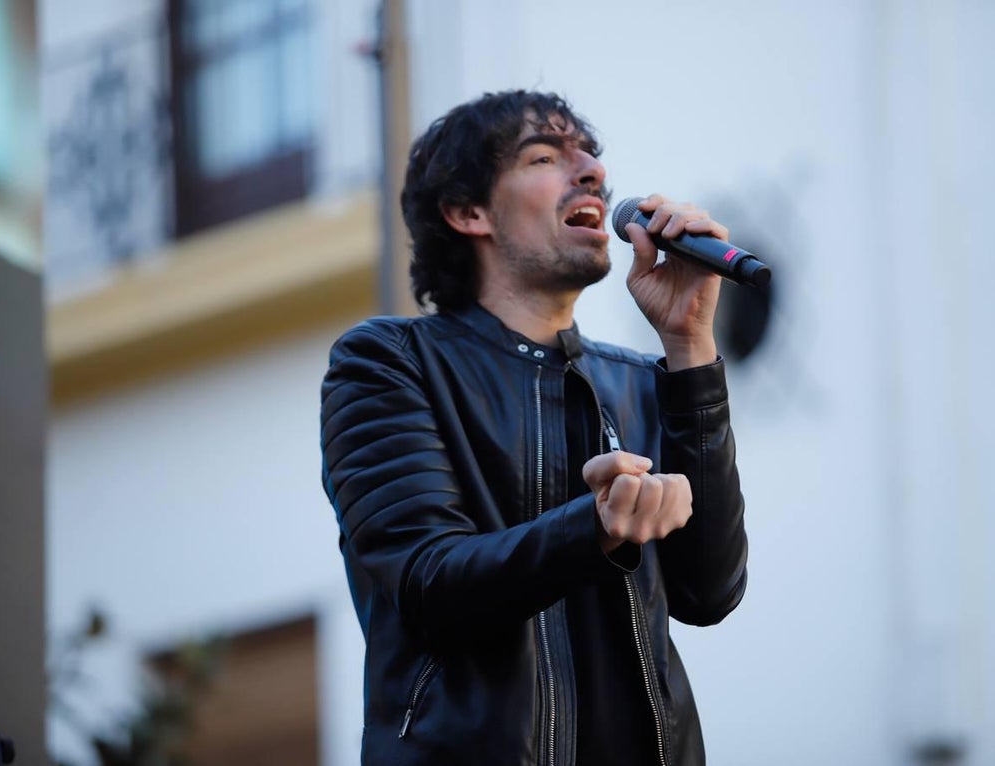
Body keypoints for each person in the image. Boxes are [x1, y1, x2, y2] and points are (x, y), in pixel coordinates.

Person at [320, 90, 747, 766]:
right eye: (545, 156)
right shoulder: (389, 363)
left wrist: (690, 344)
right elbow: (429, 584)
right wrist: (593, 527)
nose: (593, 172)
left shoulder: (643, 381)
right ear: (468, 212)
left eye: (591, 156)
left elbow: (710, 590)